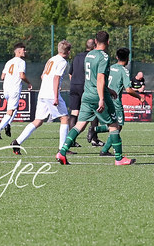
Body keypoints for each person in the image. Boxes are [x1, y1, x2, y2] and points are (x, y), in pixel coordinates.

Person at [56, 31, 134, 166]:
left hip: (87, 94)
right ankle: (119, 158)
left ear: (96, 42)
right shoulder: (104, 57)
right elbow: (99, 77)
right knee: (114, 125)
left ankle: (62, 152)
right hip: (97, 95)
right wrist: (102, 98)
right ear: (108, 42)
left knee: (80, 124)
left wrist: (108, 89)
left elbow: (92, 77)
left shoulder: (89, 55)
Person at [12, 40, 72, 155]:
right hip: (51, 94)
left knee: (38, 121)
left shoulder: (51, 59)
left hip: (43, 92)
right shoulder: (62, 62)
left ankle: (17, 142)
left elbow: (43, 76)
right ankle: (62, 149)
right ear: (68, 52)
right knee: (64, 118)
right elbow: (56, 78)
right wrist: (55, 95)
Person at [99, 48, 145, 157]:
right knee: (118, 126)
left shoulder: (110, 67)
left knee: (113, 124)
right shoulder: (123, 70)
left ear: (116, 57)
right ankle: (103, 147)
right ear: (128, 59)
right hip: (115, 102)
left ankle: (96, 133)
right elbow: (128, 89)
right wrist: (139, 97)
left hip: (105, 98)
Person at [0, 42, 31, 140]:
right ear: (19, 51)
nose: (25, 52)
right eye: (23, 50)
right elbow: (22, 75)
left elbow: (2, 76)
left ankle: (8, 124)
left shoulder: (9, 62)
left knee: (14, 108)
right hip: (14, 89)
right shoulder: (21, 62)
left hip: (6, 88)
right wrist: (28, 83)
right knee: (10, 111)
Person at [66, 38, 95, 149]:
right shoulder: (93, 57)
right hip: (85, 86)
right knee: (94, 109)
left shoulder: (77, 56)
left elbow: (70, 73)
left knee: (74, 112)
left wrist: (75, 82)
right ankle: (93, 137)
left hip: (74, 85)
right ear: (94, 46)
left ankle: (71, 140)